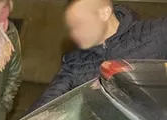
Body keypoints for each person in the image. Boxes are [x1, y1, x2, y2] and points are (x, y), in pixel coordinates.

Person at [27, 0, 167, 113]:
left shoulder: (156, 34)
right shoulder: (74, 62)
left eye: (79, 24)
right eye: (71, 27)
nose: (73, 34)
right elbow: (48, 102)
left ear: (105, 13)